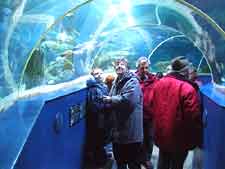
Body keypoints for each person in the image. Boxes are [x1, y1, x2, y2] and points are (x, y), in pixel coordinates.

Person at [151, 56, 203, 169]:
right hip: (180, 139)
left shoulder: (158, 84)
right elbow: (193, 116)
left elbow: (151, 105)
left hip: (161, 135)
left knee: (163, 162)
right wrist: (195, 139)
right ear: (185, 70)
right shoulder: (187, 88)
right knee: (177, 165)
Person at [103, 58, 143, 169]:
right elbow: (112, 97)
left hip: (131, 132)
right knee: (120, 162)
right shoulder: (116, 81)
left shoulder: (133, 82)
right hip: (118, 132)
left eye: (122, 64)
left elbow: (129, 101)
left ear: (128, 68)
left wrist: (111, 100)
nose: (119, 66)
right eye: (117, 65)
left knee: (133, 163)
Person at [135, 57, 157, 169]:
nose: (144, 69)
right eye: (142, 67)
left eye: (146, 67)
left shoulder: (154, 80)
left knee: (149, 137)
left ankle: (147, 158)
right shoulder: (133, 80)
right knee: (138, 139)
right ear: (137, 67)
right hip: (136, 116)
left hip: (150, 115)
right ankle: (138, 159)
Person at [85, 68, 109, 169]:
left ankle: (101, 157)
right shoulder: (93, 89)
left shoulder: (104, 86)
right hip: (97, 119)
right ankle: (99, 162)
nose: (99, 75)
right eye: (96, 74)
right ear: (92, 76)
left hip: (103, 118)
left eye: (101, 73)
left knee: (102, 138)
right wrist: (108, 105)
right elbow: (94, 106)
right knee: (97, 140)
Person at [189, 67, 203, 169]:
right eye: (193, 73)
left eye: (195, 72)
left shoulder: (199, 85)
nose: (195, 74)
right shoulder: (187, 85)